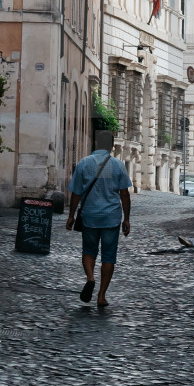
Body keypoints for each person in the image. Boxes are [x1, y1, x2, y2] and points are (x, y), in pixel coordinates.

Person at [66, 130, 131, 309]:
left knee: (89, 250)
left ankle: (90, 278)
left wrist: (71, 215)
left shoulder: (84, 163)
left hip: (90, 216)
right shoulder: (118, 165)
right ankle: (101, 296)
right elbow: (125, 194)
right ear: (111, 146)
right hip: (111, 217)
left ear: (95, 143)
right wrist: (127, 219)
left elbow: (76, 193)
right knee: (109, 256)